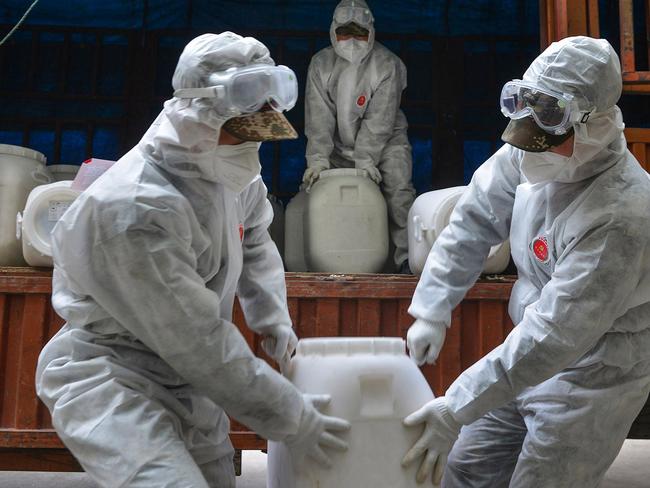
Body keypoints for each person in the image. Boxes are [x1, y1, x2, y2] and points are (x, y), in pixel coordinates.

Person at [35, 32, 350, 488]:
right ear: (199, 113)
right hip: (115, 376)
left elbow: (256, 237)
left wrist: (272, 317)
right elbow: (196, 340)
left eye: (265, 115)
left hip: (193, 384)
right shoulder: (135, 207)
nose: (256, 134)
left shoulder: (227, 166)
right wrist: (291, 415)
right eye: (242, 123)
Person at [401, 36, 650, 487]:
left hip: (592, 376)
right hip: (523, 355)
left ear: (592, 125)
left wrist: (456, 404)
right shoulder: (533, 140)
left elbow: (557, 334)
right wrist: (432, 307)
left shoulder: (622, 214)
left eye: (543, 143)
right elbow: (473, 220)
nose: (527, 152)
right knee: (463, 469)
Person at [302, 0, 416, 273]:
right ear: (333, 31)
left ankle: (406, 263)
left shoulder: (387, 64)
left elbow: (380, 120)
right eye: (344, 32)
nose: (351, 40)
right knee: (329, 200)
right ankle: (332, 263)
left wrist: (366, 160)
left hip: (387, 142)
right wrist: (317, 159)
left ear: (371, 32)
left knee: (398, 193)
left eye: (359, 33)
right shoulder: (321, 64)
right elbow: (318, 117)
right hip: (336, 147)